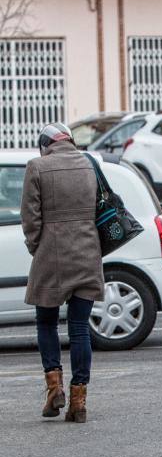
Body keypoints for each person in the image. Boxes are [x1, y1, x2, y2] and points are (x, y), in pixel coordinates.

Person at [21, 122, 104, 424]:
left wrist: (36, 248)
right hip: (87, 253)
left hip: (51, 255)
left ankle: (54, 388)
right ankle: (79, 400)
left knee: (46, 322)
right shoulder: (90, 164)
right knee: (80, 326)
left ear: (45, 144)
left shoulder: (37, 167)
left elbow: (31, 218)